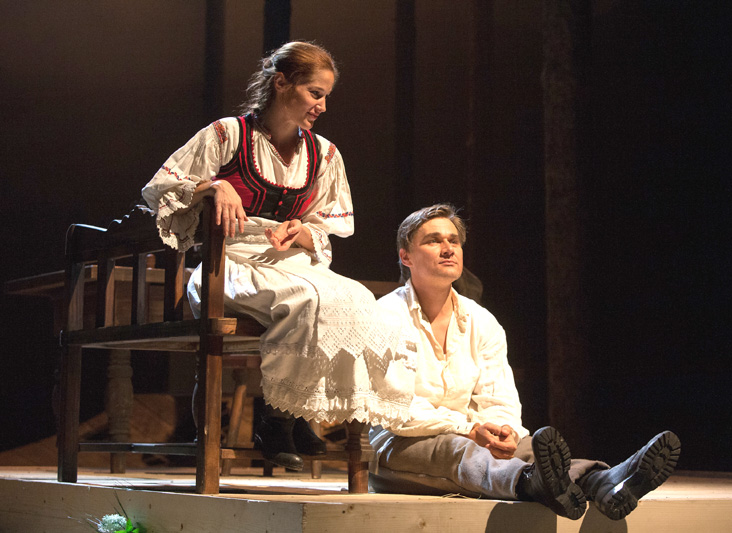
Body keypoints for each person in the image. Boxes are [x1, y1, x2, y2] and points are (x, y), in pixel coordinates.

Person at [142, 41, 414, 471]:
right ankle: (276, 421)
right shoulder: (227, 135)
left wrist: (303, 231)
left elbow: (325, 223)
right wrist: (214, 186)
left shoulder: (323, 154)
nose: (322, 106)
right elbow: (161, 189)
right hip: (227, 264)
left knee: (360, 300)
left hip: (290, 262)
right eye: (315, 93)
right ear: (281, 83)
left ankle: (299, 411)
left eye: (326, 96)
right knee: (305, 300)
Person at [369, 204, 681, 520]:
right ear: (406, 256)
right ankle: (530, 482)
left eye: (454, 241)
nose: (448, 248)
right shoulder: (386, 316)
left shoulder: (482, 321)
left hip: (471, 435)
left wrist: (503, 430)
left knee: (527, 448)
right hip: (400, 445)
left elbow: (499, 397)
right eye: (433, 240)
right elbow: (397, 408)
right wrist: (470, 429)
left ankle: (603, 480)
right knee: (460, 450)